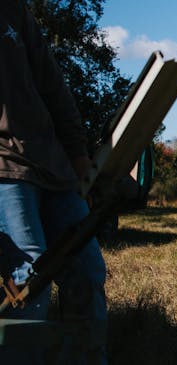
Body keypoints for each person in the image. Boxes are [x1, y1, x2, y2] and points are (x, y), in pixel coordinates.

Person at [0, 0, 107, 363]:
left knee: (88, 269)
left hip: (54, 165)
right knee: (28, 275)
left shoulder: (14, 12)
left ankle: (89, 356)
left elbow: (53, 87)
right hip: (4, 170)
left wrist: (78, 156)